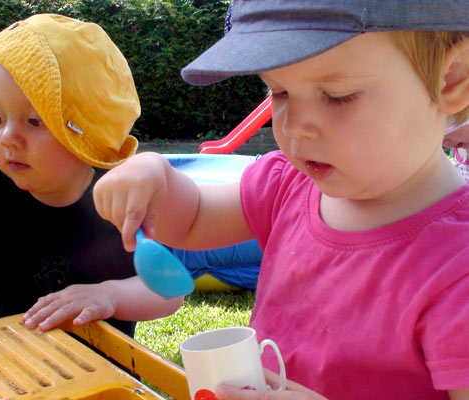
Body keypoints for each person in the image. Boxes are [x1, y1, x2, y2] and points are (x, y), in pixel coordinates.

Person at [92, 1, 469, 399]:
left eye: (337, 95)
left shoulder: (458, 266)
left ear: (451, 79)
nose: (291, 125)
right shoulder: (288, 184)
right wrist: (156, 180)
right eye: (280, 90)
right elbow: (194, 218)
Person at [0, 14, 183, 337]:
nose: (8, 137)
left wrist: (110, 296)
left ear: (88, 131)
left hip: (106, 379)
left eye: (35, 121)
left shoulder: (120, 197)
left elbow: (170, 290)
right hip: (15, 376)